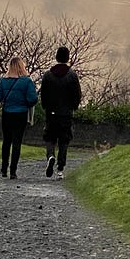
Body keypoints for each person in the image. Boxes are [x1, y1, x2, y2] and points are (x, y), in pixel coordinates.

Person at [38, 45, 82, 178]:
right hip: (66, 113)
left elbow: (43, 94)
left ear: (56, 57)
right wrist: (73, 107)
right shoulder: (72, 75)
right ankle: (60, 168)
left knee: (50, 137)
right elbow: (77, 95)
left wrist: (46, 107)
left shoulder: (48, 75)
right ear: (67, 58)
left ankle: (50, 156)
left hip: (51, 112)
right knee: (64, 140)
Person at [0, 57, 38, 178]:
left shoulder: (4, 81)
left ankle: (4, 168)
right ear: (21, 66)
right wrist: (25, 103)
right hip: (21, 114)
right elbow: (33, 99)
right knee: (17, 142)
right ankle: (13, 171)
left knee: (6, 141)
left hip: (7, 113)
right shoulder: (27, 81)